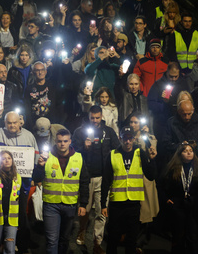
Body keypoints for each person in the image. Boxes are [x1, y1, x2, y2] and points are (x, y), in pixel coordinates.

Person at [101, 126, 157, 254]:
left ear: (134, 139)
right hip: (116, 204)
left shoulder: (140, 153)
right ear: (120, 138)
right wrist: (103, 204)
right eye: (125, 138)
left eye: (130, 138)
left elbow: (151, 175)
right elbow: (106, 181)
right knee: (113, 238)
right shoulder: (113, 155)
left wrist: (152, 160)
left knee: (131, 240)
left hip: (133, 203)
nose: (127, 141)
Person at [33, 129, 90, 254]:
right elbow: (36, 178)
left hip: (70, 205)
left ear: (70, 141)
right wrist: (40, 167)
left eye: (65, 141)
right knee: (52, 240)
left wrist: (84, 204)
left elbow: (85, 182)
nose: (62, 144)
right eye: (59, 141)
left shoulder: (79, 158)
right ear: (55, 141)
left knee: (64, 239)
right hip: (51, 205)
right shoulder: (47, 156)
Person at [72, 105, 119, 253]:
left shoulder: (109, 132)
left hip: (103, 177)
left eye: (97, 118)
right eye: (92, 118)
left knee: (101, 211)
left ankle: (97, 242)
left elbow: (117, 149)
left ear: (102, 116)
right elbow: (72, 151)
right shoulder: (80, 132)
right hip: (86, 177)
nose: (95, 121)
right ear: (89, 116)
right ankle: (82, 230)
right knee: (84, 209)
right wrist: (83, 147)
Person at [160, 142, 198, 253]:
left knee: (193, 236)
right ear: (180, 153)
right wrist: (166, 199)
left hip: (193, 206)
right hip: (177, 205)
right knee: (178, 236)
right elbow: (161, 185)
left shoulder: (196, 167)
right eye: (185, 151)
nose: (189, 153)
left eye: (190, 151)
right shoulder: (172, 168)